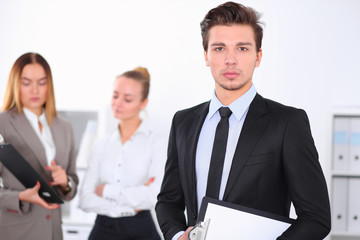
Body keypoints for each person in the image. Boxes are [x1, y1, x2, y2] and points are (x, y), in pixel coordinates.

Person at [155, 2, 331, 240]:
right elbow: (168, 201)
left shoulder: (288, 123)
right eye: (219, 48)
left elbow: (316, 217)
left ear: (258, 57)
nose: (230, 59)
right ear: (206, 56)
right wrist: (177, 236)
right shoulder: (183, 122)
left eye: (242, 48)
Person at [79, 67, 165, 240]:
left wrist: (106, 190)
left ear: (143, 103)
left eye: (127, 99)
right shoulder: (101, 144)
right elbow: (85, 199)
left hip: (140, 229)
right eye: (115, 95)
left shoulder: (156, 143)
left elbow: (154, 195)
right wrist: (129, 204)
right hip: (102, 230)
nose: (117, 103)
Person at [0, 52, 78, 240]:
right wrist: (20, 197)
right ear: (16, 84)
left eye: (41, 83)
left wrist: (65, 183)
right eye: (27, 83)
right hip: (17, 231)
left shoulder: (64, 127)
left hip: (53, 232)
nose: (35, 90)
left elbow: (73, 181)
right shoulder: (2, 124)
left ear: (49, 85)